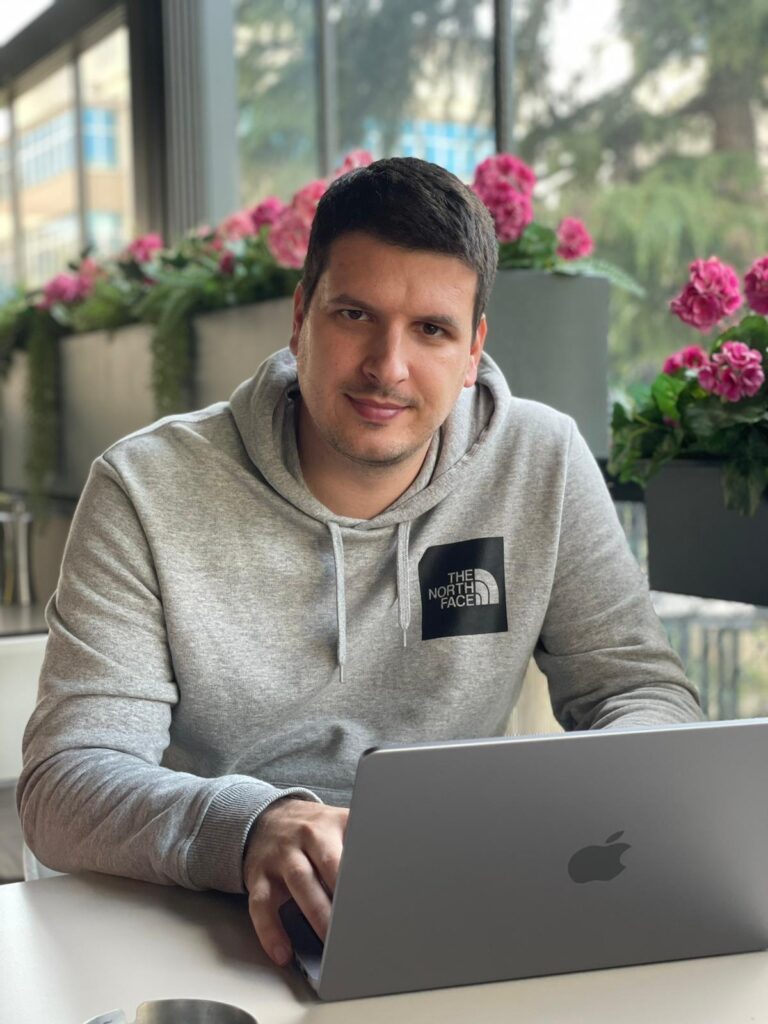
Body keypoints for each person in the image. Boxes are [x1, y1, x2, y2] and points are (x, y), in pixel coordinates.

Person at [17, 157, 702, 969]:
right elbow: (65, 784)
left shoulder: (541, 461)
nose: (388, 367)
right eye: (354, 315)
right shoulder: (145, 487)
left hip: (464, 898)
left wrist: (571, 807)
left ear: (475, 346)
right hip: (207, 914)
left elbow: (643, 692)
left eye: (433, 330)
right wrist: (249, 828)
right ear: (300, 313)